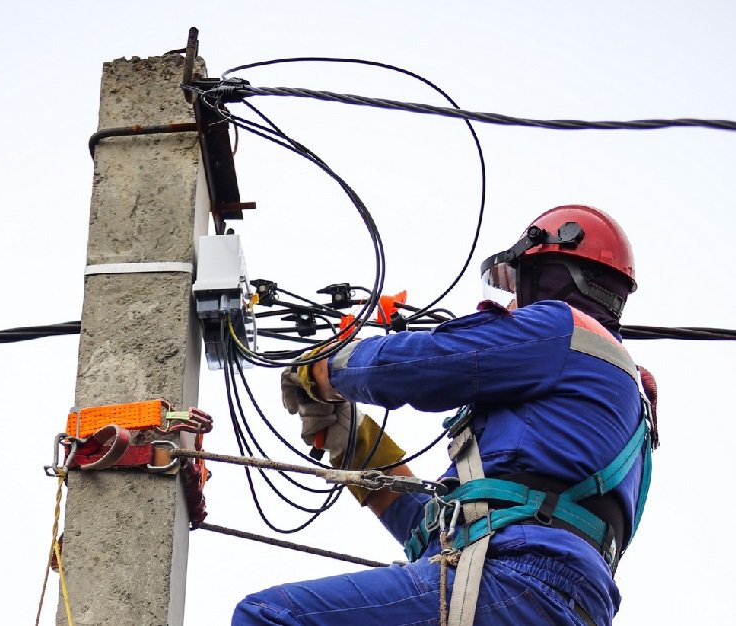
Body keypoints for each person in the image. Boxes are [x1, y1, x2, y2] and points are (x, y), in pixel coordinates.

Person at [232, 205, 658, 626]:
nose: (514, 302)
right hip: (549, 602)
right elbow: (436, 532)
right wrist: (353, 443)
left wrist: (328, 370)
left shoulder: (560, 330)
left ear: (549, 271)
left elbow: (423, 364)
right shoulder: (620, 413)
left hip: (519, 581)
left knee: (269, 616)